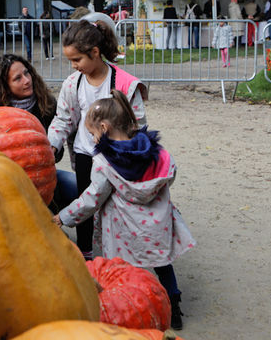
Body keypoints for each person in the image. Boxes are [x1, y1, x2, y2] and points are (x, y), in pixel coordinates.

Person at [52, 90, 194, 330]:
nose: (94, 138)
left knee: (123, 270)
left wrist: (64, 216)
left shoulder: (105, 164)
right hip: (156, 224)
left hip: (124, 230)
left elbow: (91, 199)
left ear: (105, 128)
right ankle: (174, 305)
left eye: (93, 133)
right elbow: (169, 177)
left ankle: (131, 307)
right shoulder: (157, 154)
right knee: (162, 263)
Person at [48, 19, 148, 261]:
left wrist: (131, 155)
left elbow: (139, 126)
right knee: (86, 207)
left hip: (116, 160)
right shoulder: (73, 84)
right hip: (86, 156)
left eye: (77, 60)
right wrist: (51, 145)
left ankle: (121, 257)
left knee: (117, 208)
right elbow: (64, 119)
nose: (73, 66)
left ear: (95, 52)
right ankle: (88, 257)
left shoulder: (125, 83)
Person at [0, 54, 78, 211]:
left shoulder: (46, 104)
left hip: (46, 178)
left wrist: (49, 151)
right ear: (5, 86)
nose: (27, 80)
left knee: (83, 189)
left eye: (26, 73)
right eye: (17, 78)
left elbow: (58, 152)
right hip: (12, 188)